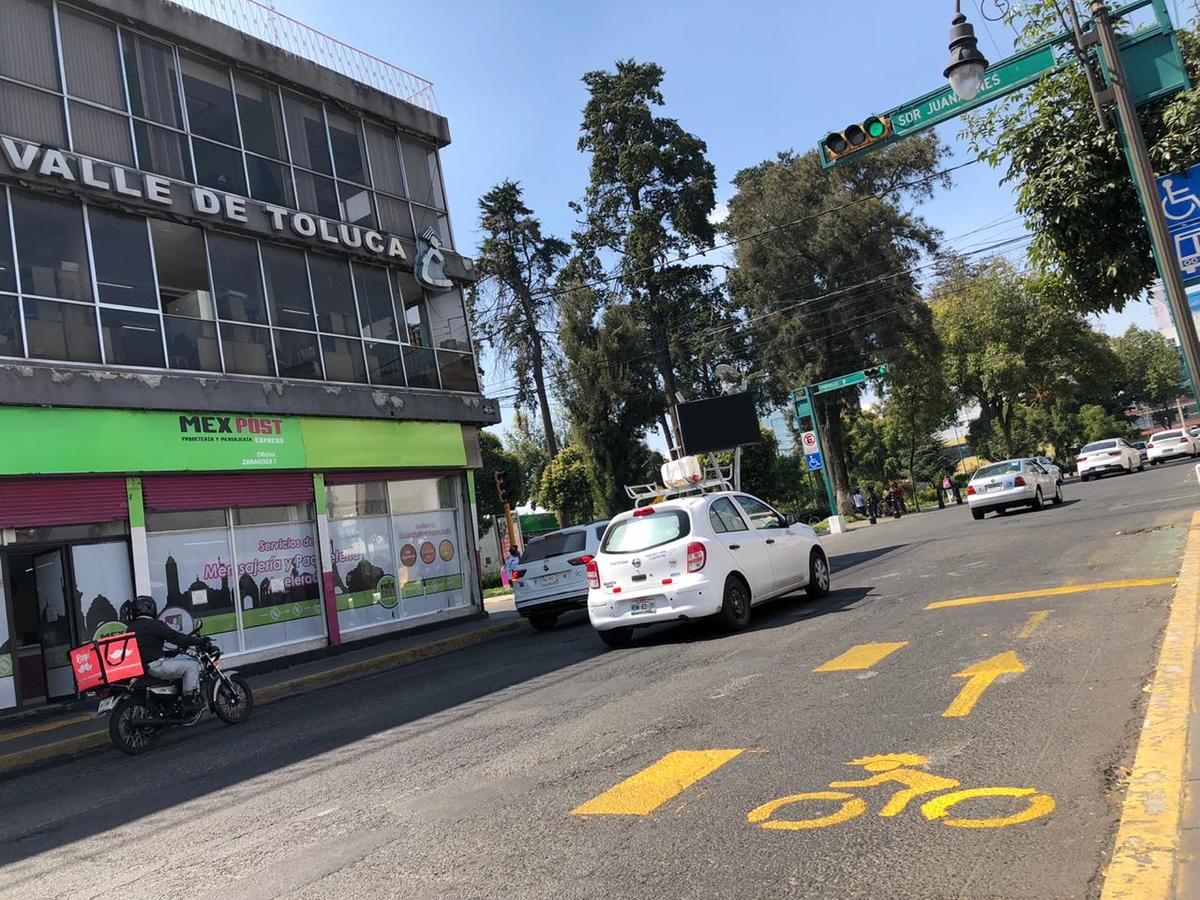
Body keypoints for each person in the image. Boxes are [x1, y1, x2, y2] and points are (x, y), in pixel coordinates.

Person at [126, 595, 208, 714]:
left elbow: (146, 648)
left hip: (142, 667)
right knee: (192, 665)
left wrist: (169, 653)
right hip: (155, 666)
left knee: (180, 660)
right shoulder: (154, 624)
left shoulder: (131, 627)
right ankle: (189, 701)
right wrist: (200, 641)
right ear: (150, 608)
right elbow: (176, 638)